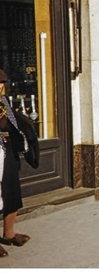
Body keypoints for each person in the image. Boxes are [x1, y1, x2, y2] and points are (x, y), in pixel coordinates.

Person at [0, 69, 34, 258]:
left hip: (7, 152)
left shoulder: (4, 102)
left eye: (2, 83)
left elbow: (11, 124)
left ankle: (9, 233)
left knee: (12, 191)